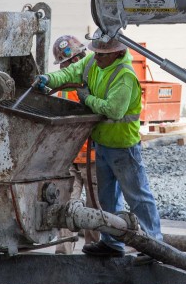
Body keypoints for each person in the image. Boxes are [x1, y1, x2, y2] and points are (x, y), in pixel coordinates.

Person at [37, 36, 162, 256]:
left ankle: (155, 245)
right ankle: (112, 243)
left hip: (123, 148)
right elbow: (68, 73)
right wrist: (48, 78)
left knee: (138, 198)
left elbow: (113, 110)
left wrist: (87, 99)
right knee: (107, 199)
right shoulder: (93, 62)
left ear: (117, 53)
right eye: (96, 52)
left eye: (102, 54)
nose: (97, 57)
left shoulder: (124, 76)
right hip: (102, 145)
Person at [49, 35, 100, 254]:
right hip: (70, 158)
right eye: (64, 63)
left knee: (93, 207)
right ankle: (63, 252)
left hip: (91, 157)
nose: (65, 67)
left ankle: (93, 249)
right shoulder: (62, 84)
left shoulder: (94, 80)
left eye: (67, 62)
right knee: (64, 207)